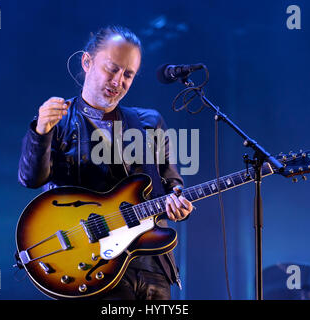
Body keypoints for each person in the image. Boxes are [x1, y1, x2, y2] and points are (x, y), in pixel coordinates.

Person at [18, 25, 193, 300]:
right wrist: (40, 132)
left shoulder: (149, 122)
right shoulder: (58, 120)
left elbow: (172, 184)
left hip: (151, 268)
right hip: (92, 265)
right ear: (87, 62)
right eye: (112, 69)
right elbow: (31, 178)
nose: (118, 80)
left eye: (128, 74)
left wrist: (177, 202)